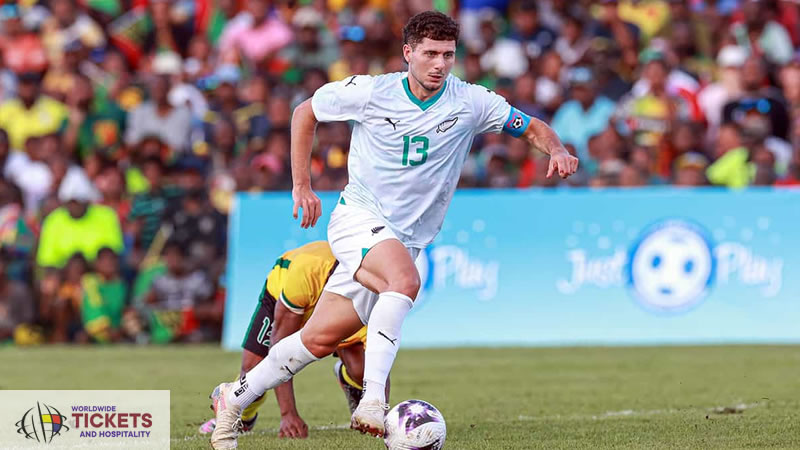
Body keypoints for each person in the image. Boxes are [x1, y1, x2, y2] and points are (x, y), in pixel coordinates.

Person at [209, 11, 577, 449]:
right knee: (404, 282)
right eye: (430, 54)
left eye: (448, 55)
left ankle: (233, 398)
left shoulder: (471, 101)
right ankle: (373, 401)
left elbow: (530, 127)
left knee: (317, 340)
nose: (439, 64)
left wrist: (556, 148)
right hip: (357, 219)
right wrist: (302, 186)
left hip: (405, 239)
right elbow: (304, 113)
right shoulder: (371, 92)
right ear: (407, 53)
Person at [199, 241, 370, 438]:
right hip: (285, 294)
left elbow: (379, 354)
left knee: (362, 369)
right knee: (254, 371)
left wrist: (377, 410)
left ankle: (348, 379)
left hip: (332, 301)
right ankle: (242, 417)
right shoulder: (306, 272)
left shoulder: (366, 288)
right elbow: (279, 347)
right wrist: (288, 414)